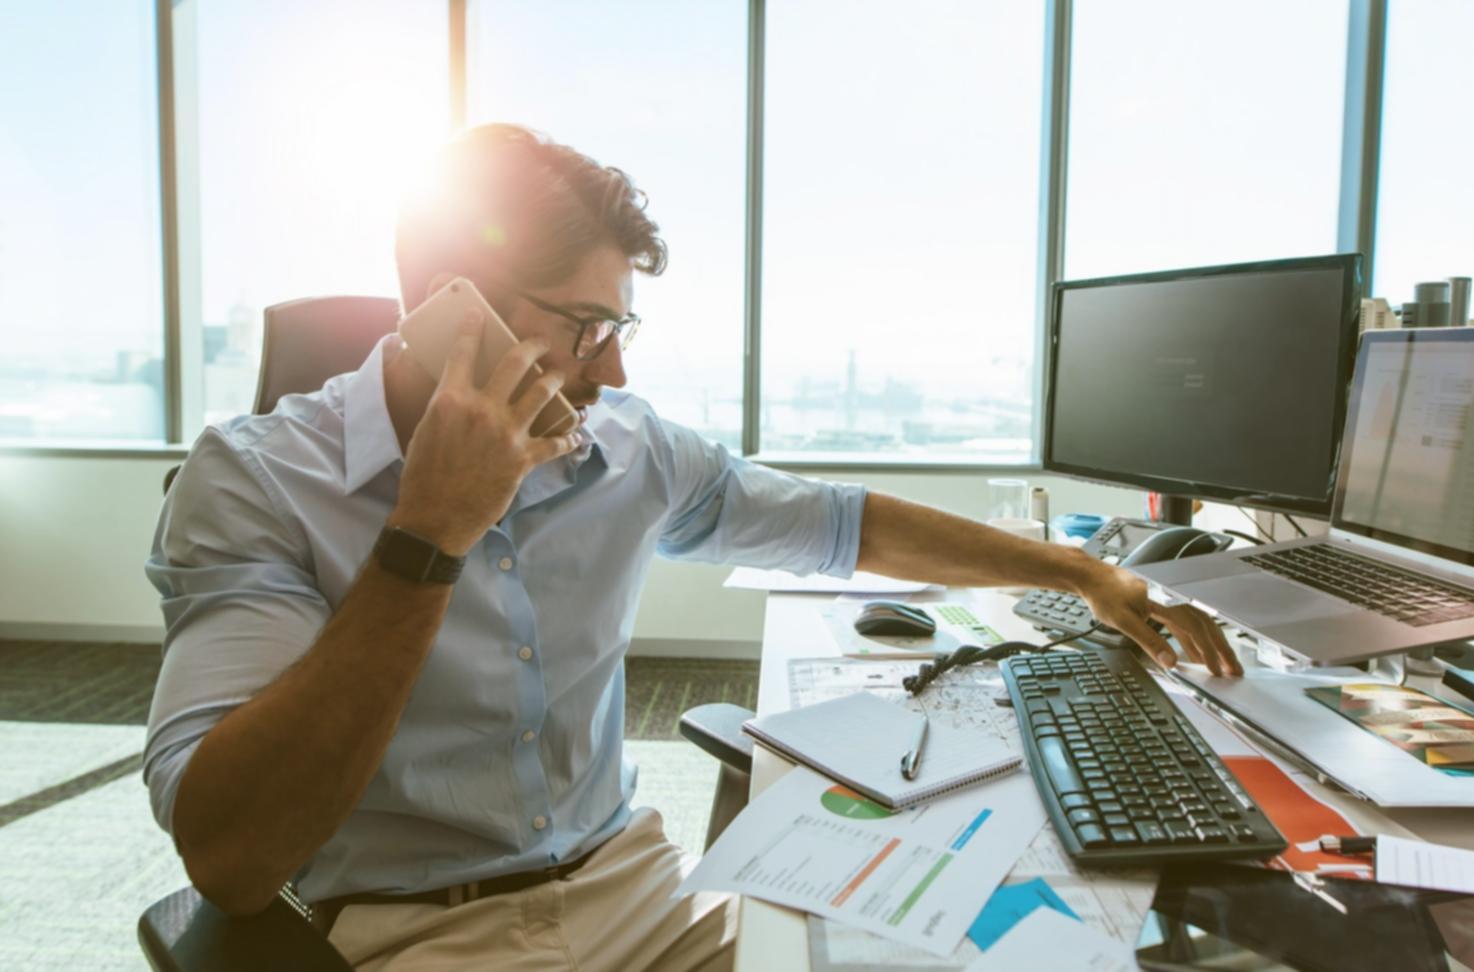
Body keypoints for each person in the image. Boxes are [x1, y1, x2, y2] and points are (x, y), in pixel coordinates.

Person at [143, 123, 1239, 971]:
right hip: (418, 935)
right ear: (449, 307)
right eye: (583, 327)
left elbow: (839, 519)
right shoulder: (253, 481)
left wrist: (1084, 571)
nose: (608, 373)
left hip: (644, 896)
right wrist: (429, 534)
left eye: (618, 330)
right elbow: (231, 858)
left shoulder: (627, 449)